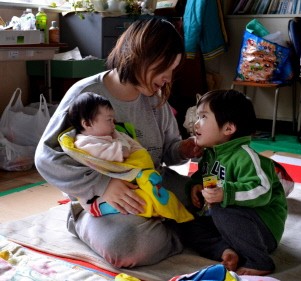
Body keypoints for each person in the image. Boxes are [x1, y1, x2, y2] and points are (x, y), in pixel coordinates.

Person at [34, 18, 202, 268]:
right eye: (164, 68)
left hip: (152, 184)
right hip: (102, 201)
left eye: (172, 70)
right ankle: (185, 232)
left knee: (205, 198)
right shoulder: (87, 95)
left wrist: (183, 149)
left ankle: (175, 224)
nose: (168, 78)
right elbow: (46, 157)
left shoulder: (156, 100)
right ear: (140, 55)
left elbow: (167, 153)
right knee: (125, 247)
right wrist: (102, 184)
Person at [181, 89, 288, 276]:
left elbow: (262, 190)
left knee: (220, 207)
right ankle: (226, 251)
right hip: (228, 227)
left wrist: (226, 193)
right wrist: (196, 185)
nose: (196, 124)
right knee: (187, 220)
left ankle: (259, 260)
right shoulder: (211, 153)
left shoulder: (245, 156)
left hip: (261, 230)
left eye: (203, 117)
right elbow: (205, 176)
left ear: (228, 129)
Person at [60, 91, 193, 222]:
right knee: (140, 201)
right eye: (109, 120)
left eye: (113, 120)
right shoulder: (84, 142)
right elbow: (106, 154)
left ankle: (161, 207)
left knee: (180, 192)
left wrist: (182, 150)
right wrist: (121, 149)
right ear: (87, 124)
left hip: (129, 180)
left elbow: (134, 146)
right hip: (98, 196)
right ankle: (100, 208)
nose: (114, 124)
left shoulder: (112, 133)